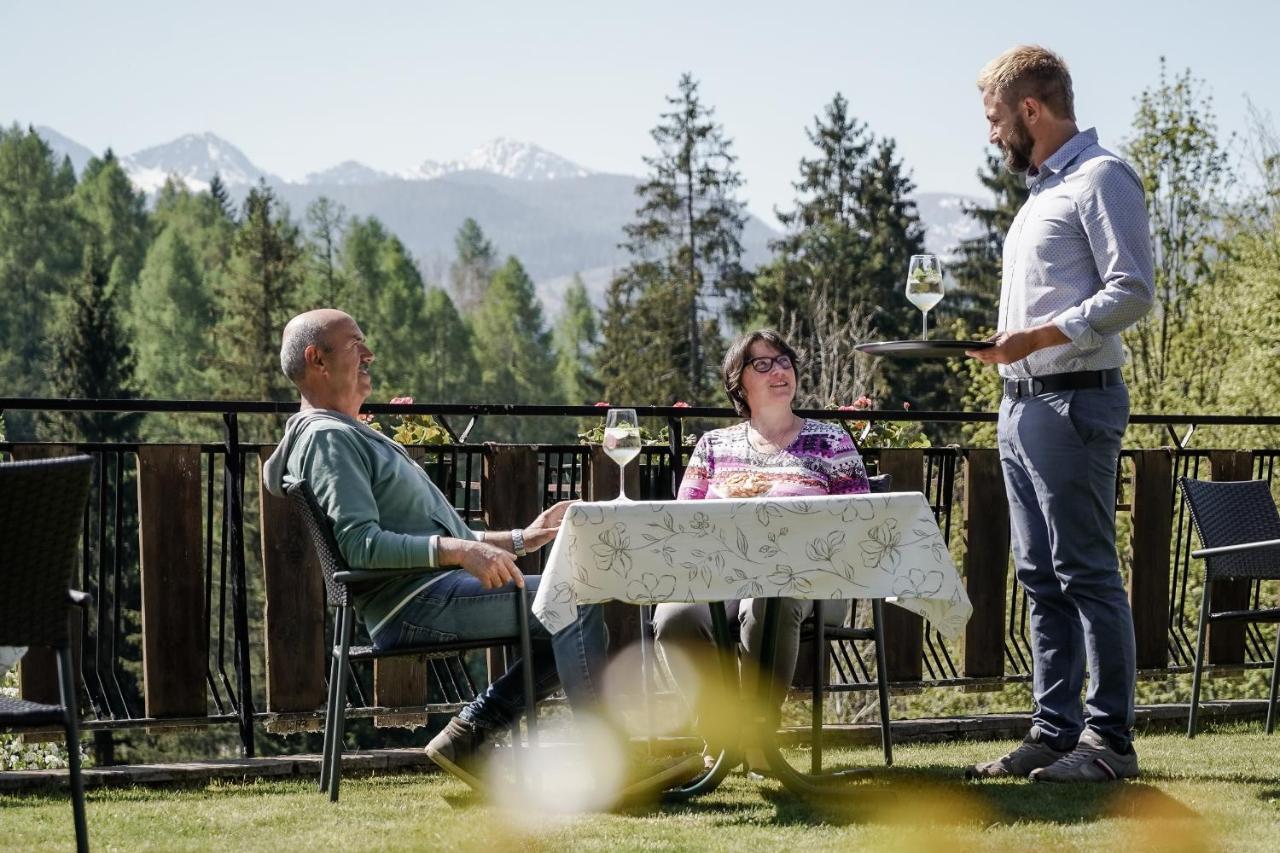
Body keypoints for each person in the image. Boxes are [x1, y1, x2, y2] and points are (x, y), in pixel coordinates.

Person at [263, 308, 696, 795]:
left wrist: (522, 538)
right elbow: (361, 546)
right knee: (572, 601)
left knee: (565, 606)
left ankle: (469, 737)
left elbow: (437, 532)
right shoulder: (328, 439)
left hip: (427, 591)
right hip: (413, 604)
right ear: (316, 359)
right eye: (355, 344)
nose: (369, 354)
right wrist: (456, 552)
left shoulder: (342, 432)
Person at [965, 46, 1154, 783]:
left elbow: (1131, 291)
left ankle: (1109, 742)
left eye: (995, 118)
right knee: (1039, 575)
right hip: (1020, 407)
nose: (992, 134)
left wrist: (1038, 337)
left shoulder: (1103, 177)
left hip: (1074, 402)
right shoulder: (1041, 192)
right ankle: (1053, 731)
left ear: (1031, 111)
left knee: (1086, 572)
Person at [653, 329, 870, 769]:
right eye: (763, 364)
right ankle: (719, 740)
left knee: (771, 598)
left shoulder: (831, 441)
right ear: (739, 382)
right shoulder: (713, 445)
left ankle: (757, 736)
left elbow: (860, 519)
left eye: (784, 361)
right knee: (674, 615)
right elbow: (684, 525)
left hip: (814, 583)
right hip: (722, 581)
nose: (779, 370)